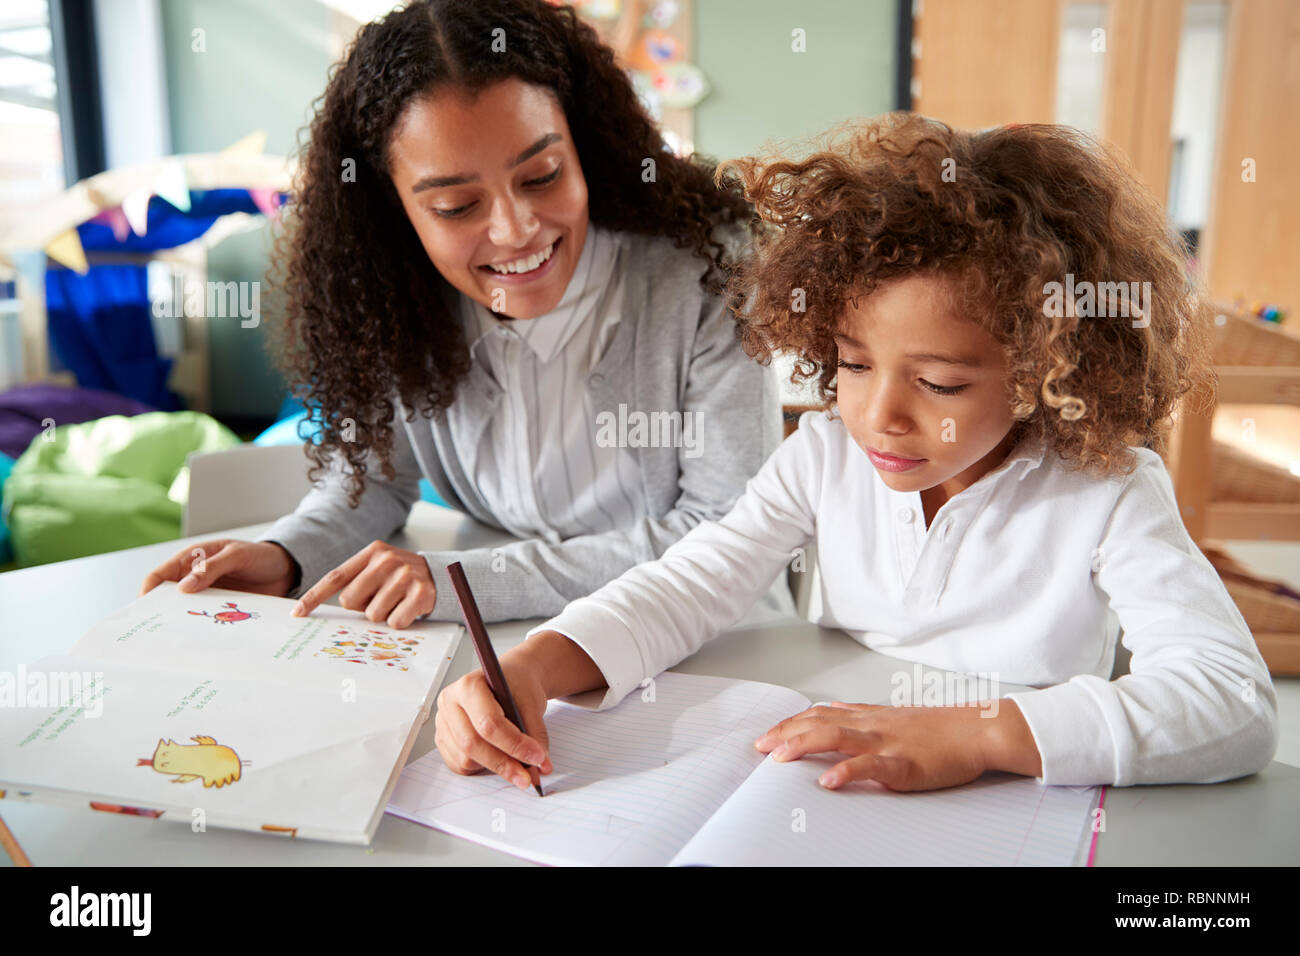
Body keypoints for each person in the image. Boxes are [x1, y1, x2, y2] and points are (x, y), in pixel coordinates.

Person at [433, 112, 1279, 794]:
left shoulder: (1110, 491)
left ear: (1041, 372)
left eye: (941, 384)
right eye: (851, 364)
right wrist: (535, 665)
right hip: (833, 781)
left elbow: (1233, 703)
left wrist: (976, 737)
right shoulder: (824, 456)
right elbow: (693, 583)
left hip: (1022, 803)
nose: (878, 417)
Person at [140, 0, 789, 626]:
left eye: (542, 176)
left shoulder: (705, 272)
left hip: (706, 642)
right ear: (396, 212)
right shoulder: (394, 298)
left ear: (584, 149)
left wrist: (464, 582)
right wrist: (285, 556)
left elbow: (724, 532)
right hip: (504, 643)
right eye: (455, 206)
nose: (515, 229)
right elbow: (369, 484)